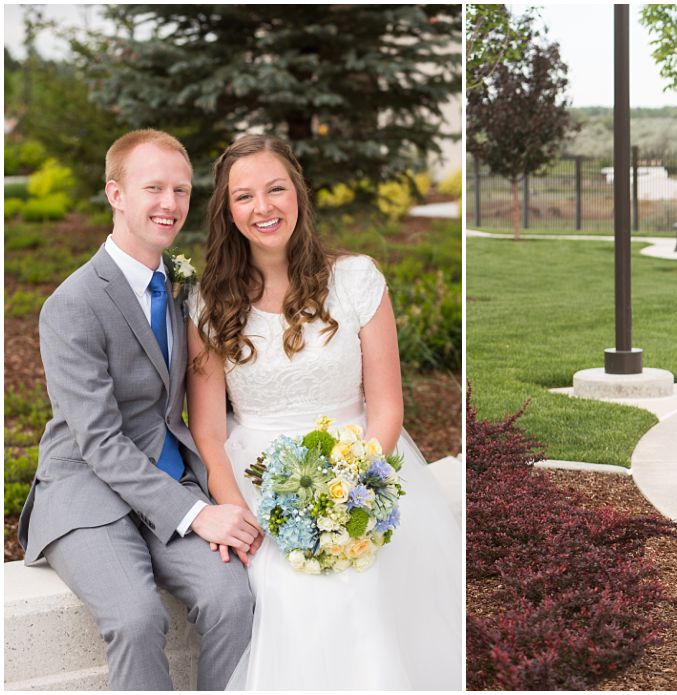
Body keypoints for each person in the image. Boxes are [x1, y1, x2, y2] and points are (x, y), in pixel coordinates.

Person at [185, 134, 462, 688]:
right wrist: (238, 512)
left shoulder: (356, 279)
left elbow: (387, 406)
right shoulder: (208, 304)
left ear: (299, 195)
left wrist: (351, 490)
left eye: (275, 189)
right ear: (227, 210)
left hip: (363, 462)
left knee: (364, 580)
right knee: (288, 588)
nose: (263, 208)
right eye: (244, 197)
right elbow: (209, 432)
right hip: (257, 477)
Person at [18, 129, 258, 690]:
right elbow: (98, 441)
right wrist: (197, 513)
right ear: (116, 194)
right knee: (135, 618)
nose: (170, 204)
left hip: (167, 479)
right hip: (87, 492)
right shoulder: (72, 305)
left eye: (180, 190)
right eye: (153, 188)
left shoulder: (179, 288)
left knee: (232, 597)